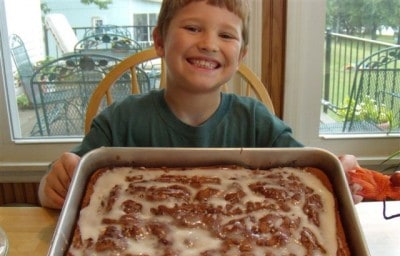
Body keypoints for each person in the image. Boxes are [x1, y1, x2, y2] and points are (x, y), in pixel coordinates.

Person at [38, 0, 356, 209]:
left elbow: (309, 175)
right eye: (193, 28)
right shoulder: (120, 122)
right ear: (160, 41)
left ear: (241, 56)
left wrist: (340, 177)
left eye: (227, 35)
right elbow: (68, 182)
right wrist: (52, 185)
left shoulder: (257, 122)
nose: (208, 43)